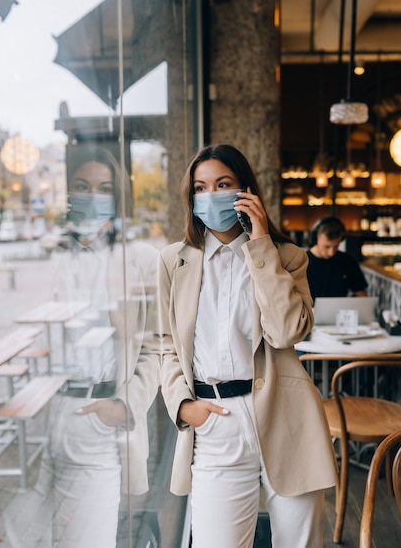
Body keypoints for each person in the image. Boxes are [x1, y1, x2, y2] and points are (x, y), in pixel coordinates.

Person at [158, 144, 338, 548]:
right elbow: (166, 343)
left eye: (223, 184)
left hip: (286, 416)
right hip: (215, 421)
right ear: (190, 197)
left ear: (246, 191)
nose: (210, 195)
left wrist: (259, 246)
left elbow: (287, 331)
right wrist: (183, 406)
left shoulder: (287, 257)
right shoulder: (174, 261)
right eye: (200, 187)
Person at [4, 146, 160, 548]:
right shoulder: (44, 256)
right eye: (82, 186)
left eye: (104, 187)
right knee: (18, 537)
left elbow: (157, 348)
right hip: (36, 417)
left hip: (95, 419)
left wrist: (123, 405)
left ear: (118, 196)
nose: (93, 195)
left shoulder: (139, 259)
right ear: (67, 193)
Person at [306, 216, 368, 301]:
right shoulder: (301, 262)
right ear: (315, 239)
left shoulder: (348, 261)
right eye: (326, 246)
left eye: (336, 246)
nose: (331, 252)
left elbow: (362, 295)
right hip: (308, 313)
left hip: (340, 313)